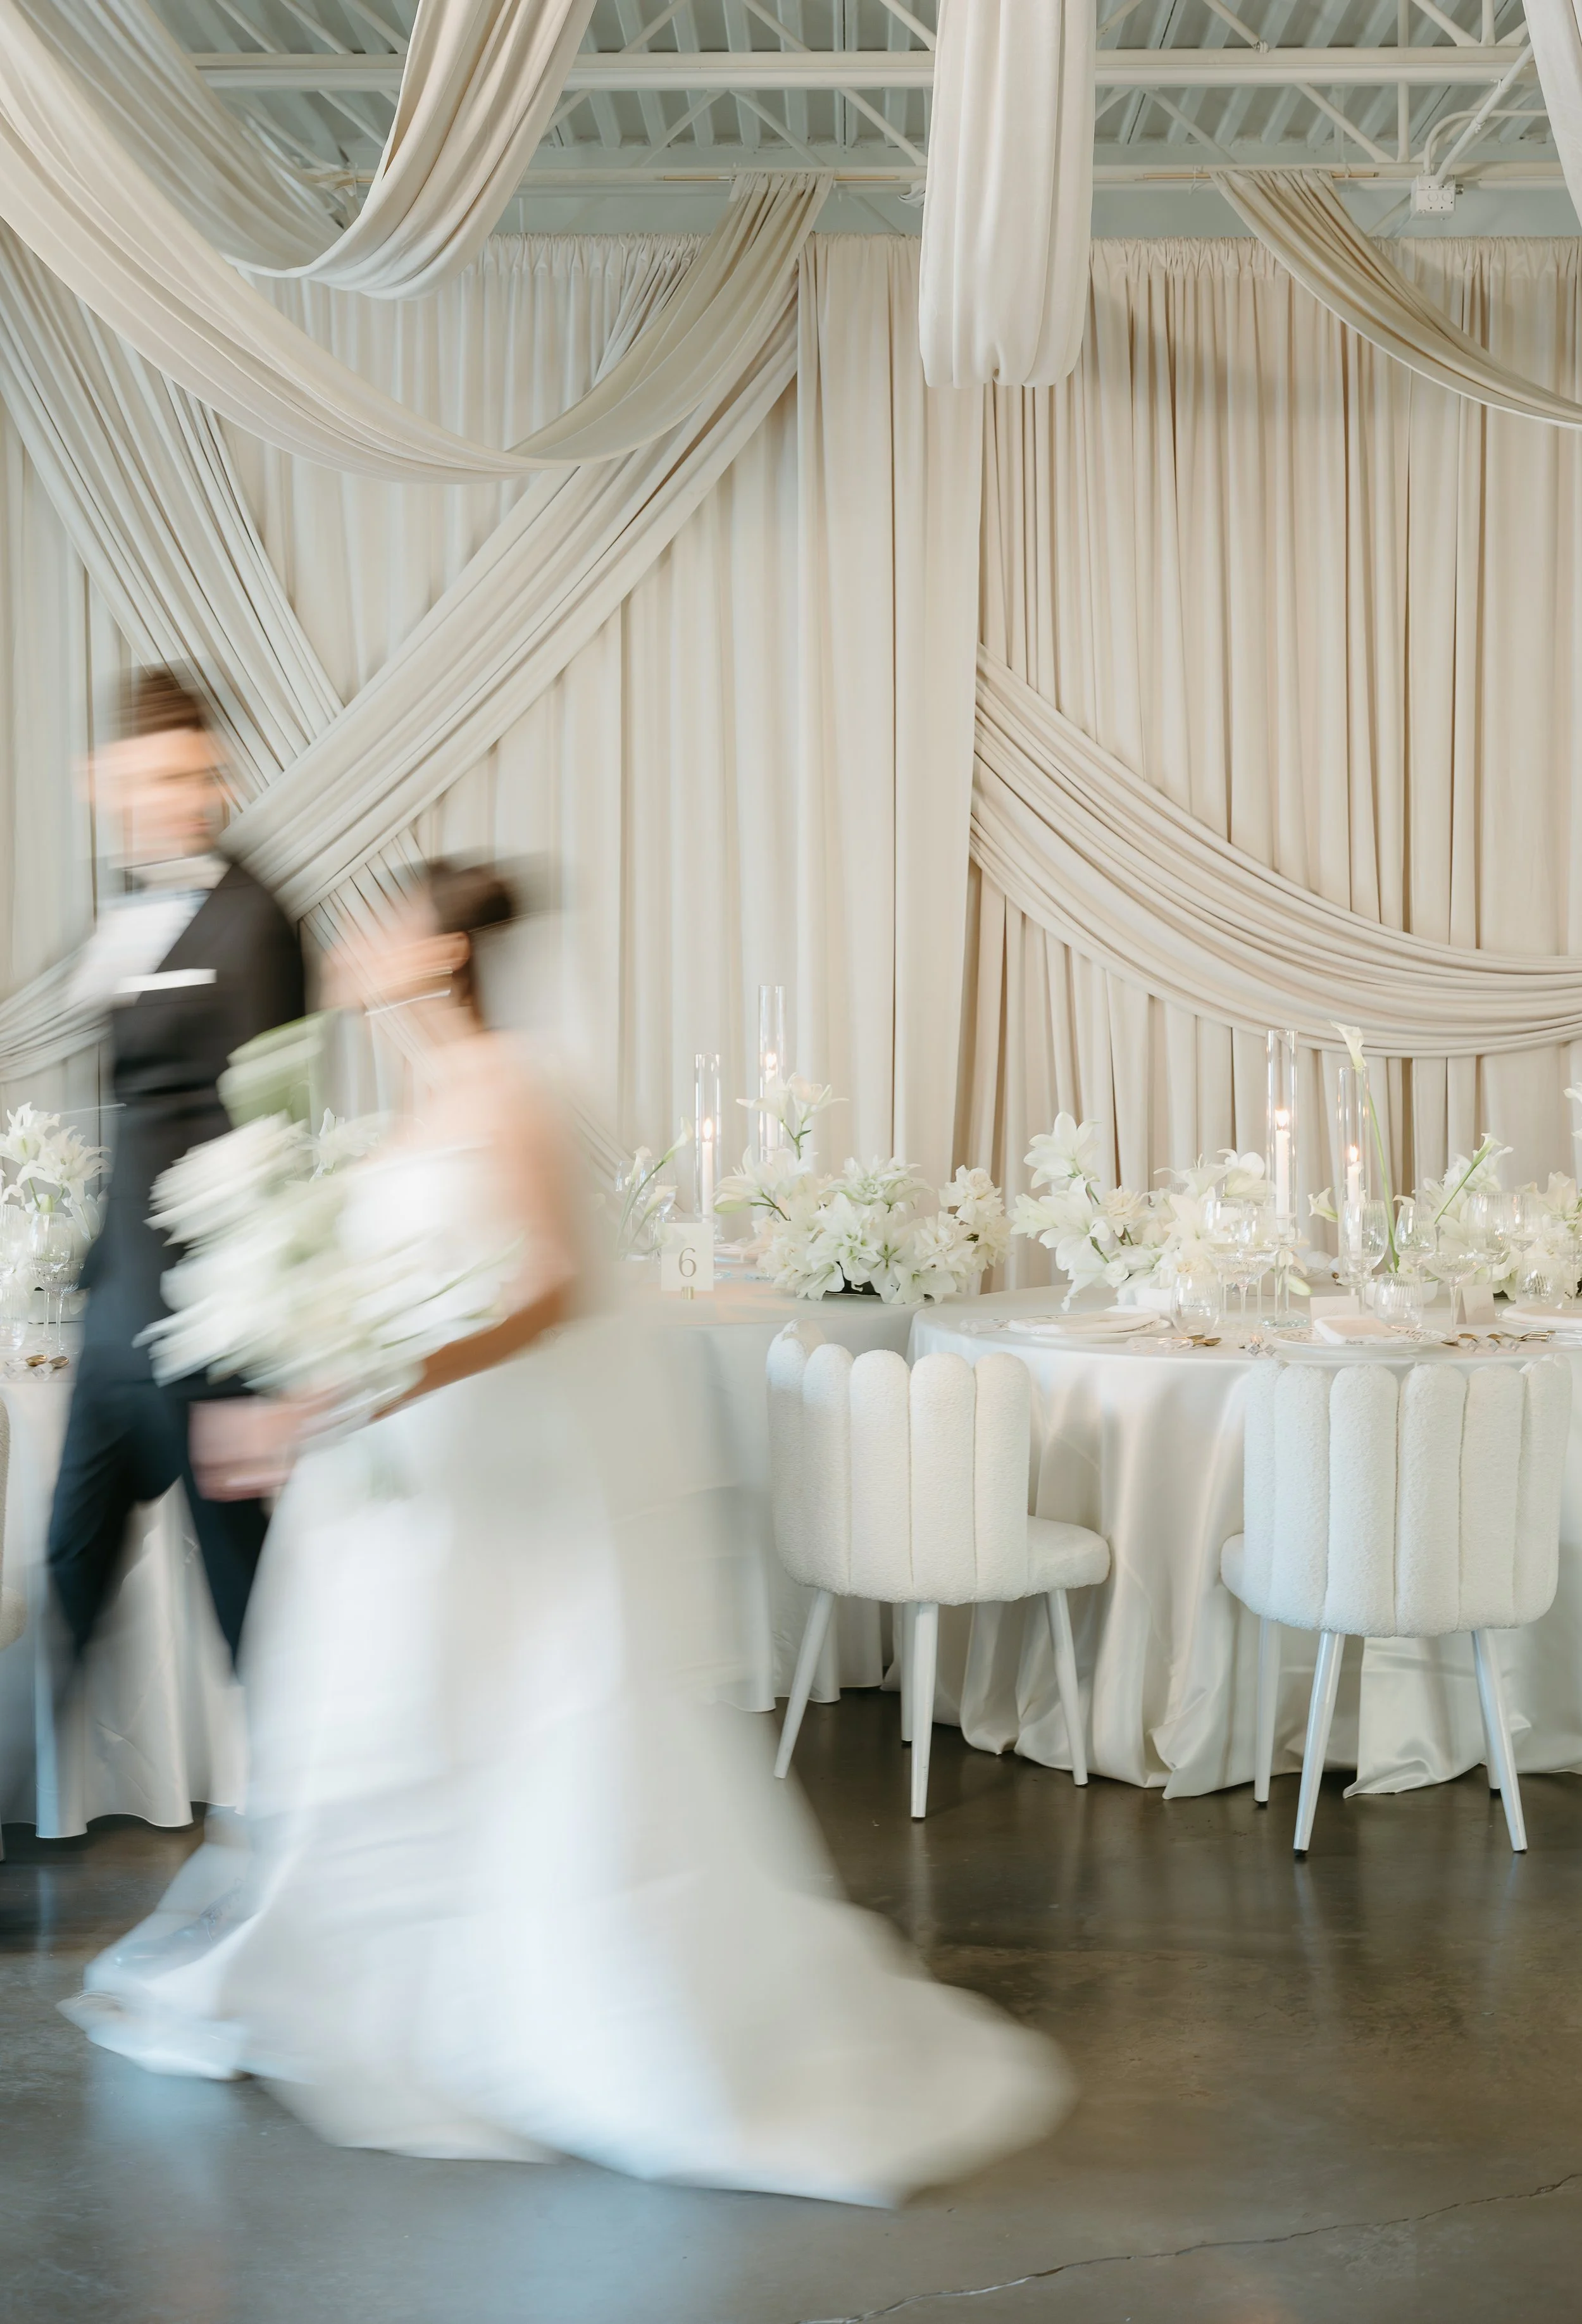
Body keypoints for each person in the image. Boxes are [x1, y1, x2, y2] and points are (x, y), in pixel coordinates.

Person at [63, 861, 1071, 2204]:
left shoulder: (514, 1084)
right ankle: (372, 1974)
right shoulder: (417, 1097)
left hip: (493, 1463)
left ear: (437, 956)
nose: (357, 949)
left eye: (385, 931)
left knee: (519, 1716)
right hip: (416, 1476)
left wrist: (364, 1382)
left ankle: (562, 2013)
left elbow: (544, 1291)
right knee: (391, 1711)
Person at [47, 668, 304, 1665]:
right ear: (106, 782)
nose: (174, 801)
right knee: (71, 1571)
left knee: (250, 1608)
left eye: (189, 777)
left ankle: (299, 1811)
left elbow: (273, 1136)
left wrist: (259, 1359)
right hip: (113, 1317)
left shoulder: (257, 918)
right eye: (150, 780)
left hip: (208, 1330)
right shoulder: (126, 913)